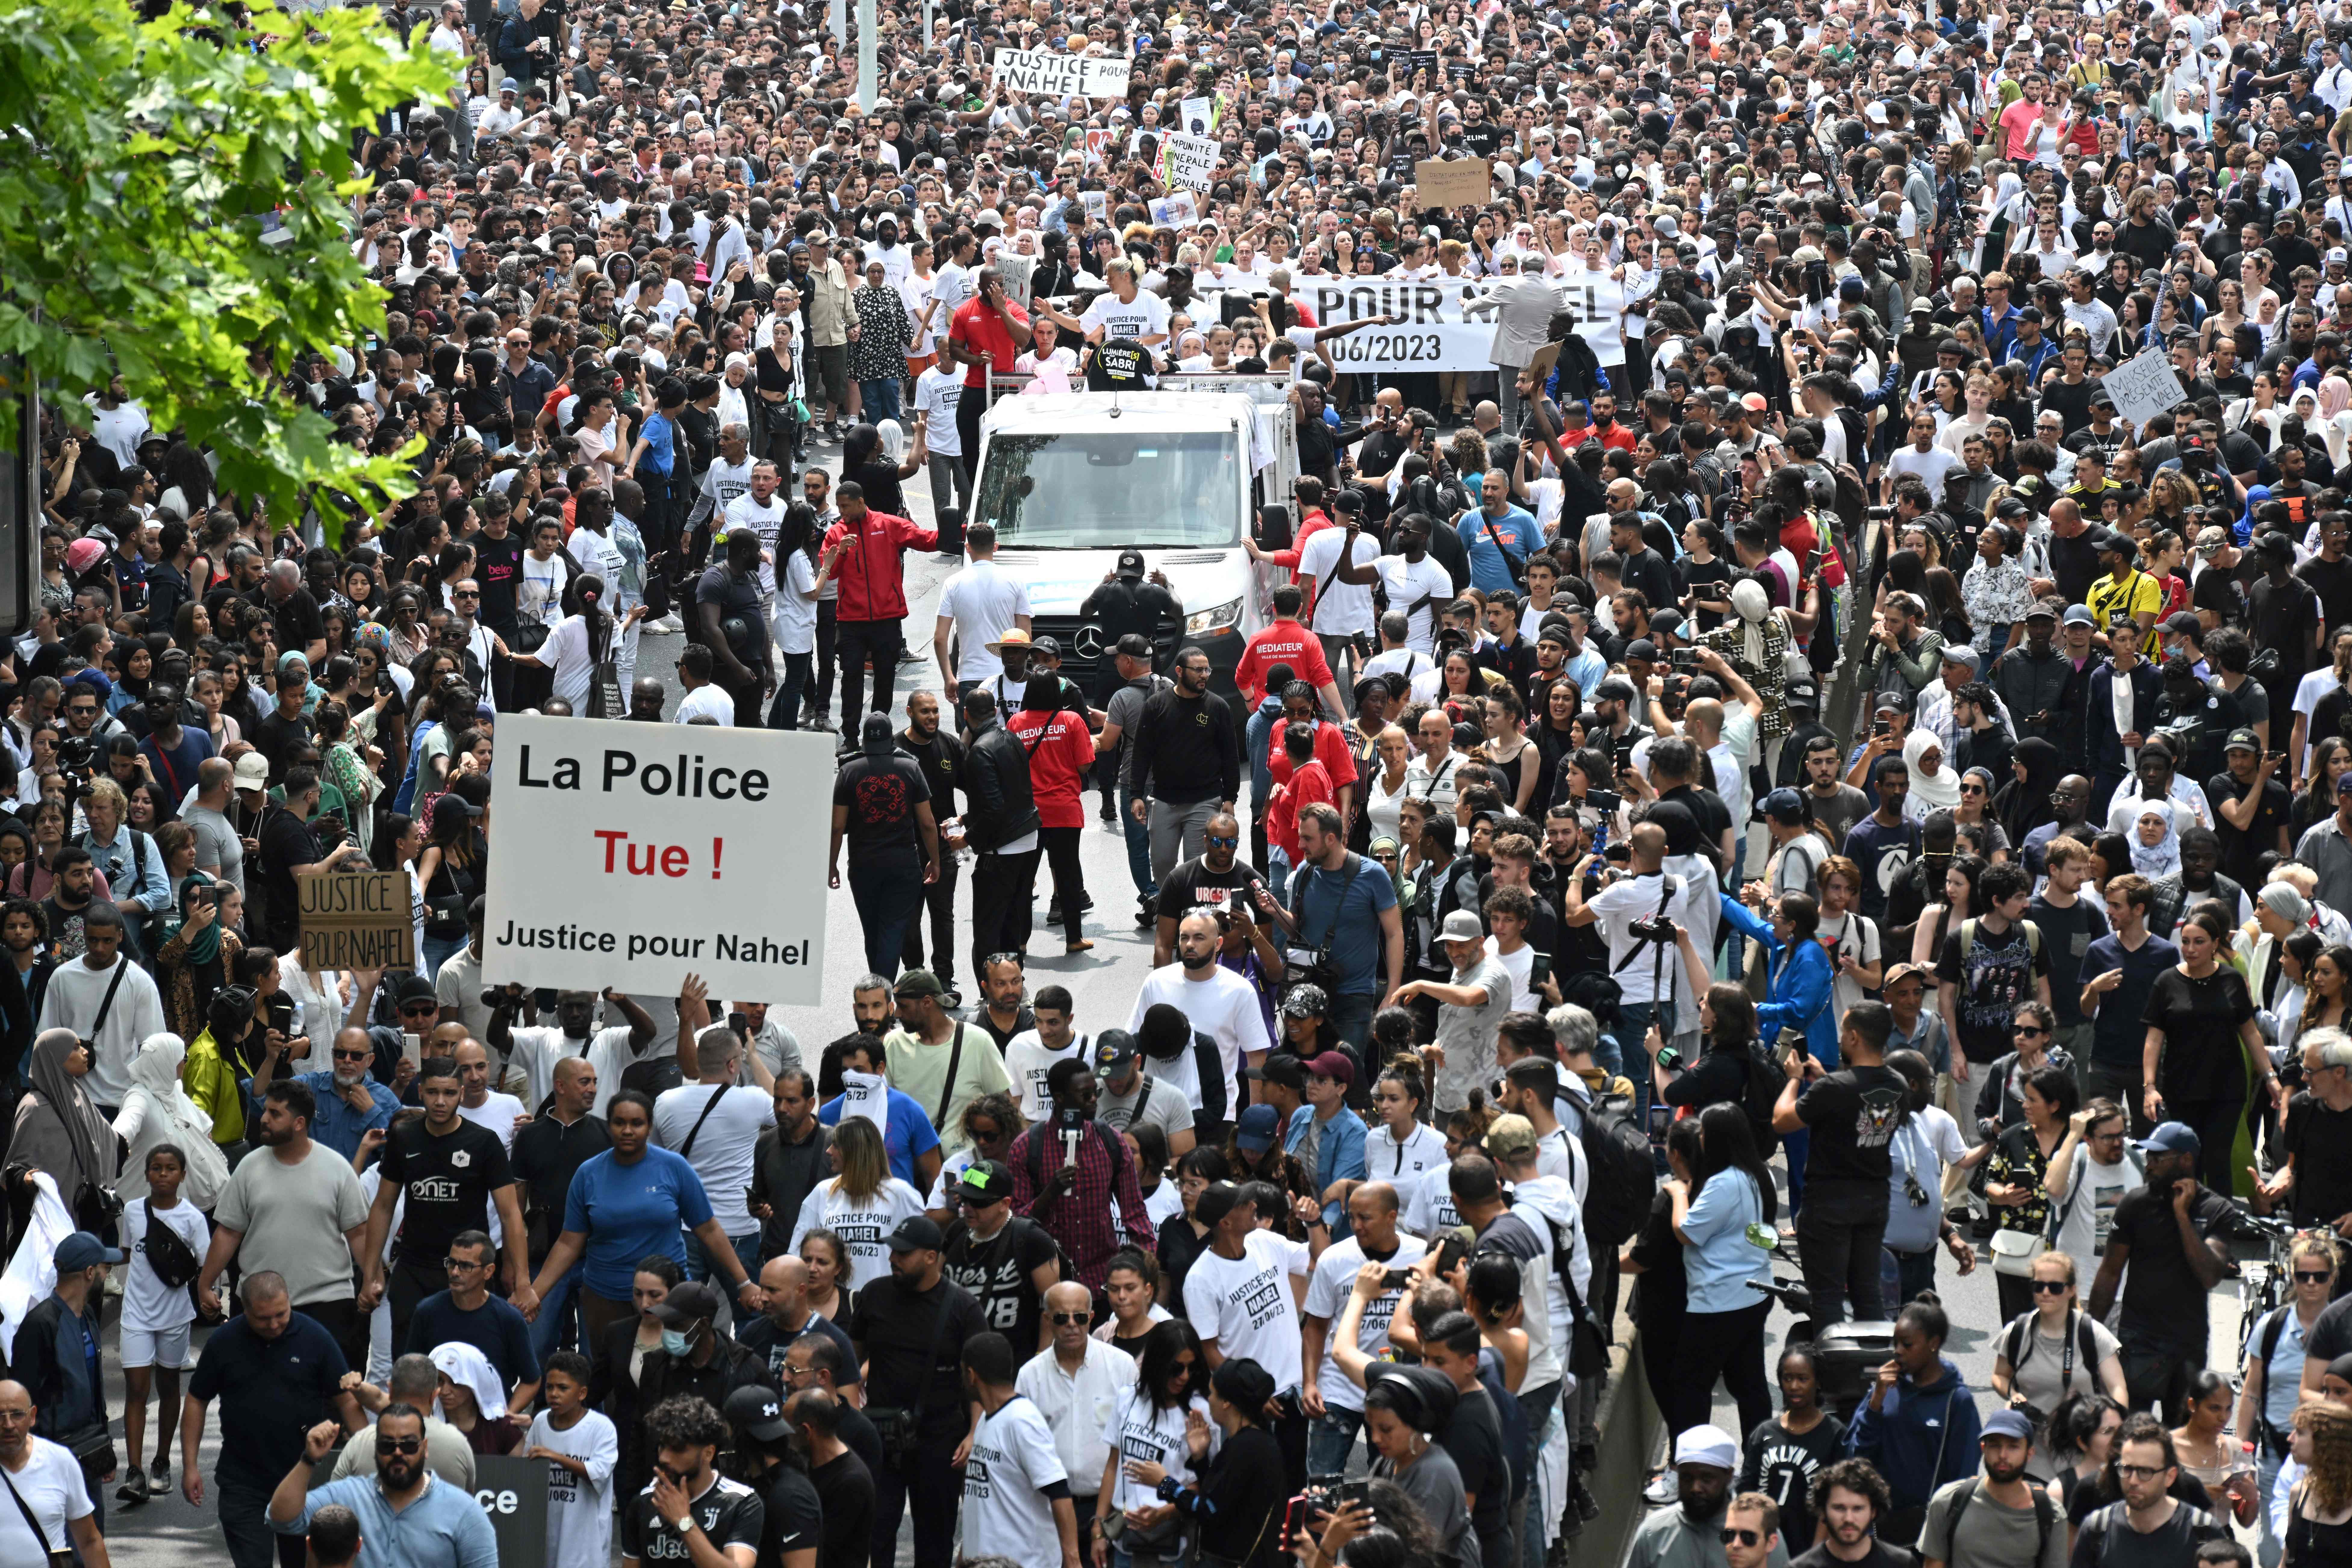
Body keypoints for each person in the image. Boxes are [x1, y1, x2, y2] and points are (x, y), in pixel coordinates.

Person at [527, 1089, 761, 1350]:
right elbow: (568, 1243)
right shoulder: (588, 1174)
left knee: (667, 1376)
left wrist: (745, 1283)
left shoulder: (674, 1168)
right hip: (605, 1297)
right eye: (620, 1123)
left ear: (649, 1127)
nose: (628, 1130)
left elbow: (709, 1230)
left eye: (637, 1123)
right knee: (610, 1379)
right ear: (609, 1126)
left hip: (667, 1298)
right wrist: (535, 1294)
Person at [182, 1271, 365, 1568]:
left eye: (282, 1314)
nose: (275, 1324)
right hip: (243, 1483)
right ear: (245, 1310)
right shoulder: (224, 1342)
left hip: (304, 1481)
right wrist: (190, 1466)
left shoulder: (315, 1338)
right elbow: (196, 1400)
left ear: (290, 1302)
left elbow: (347, 1400)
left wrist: (367, 1458)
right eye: (264, 1319)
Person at [196, 1078, 372, 1375]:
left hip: (327, 1303)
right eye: (266, 1111)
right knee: (259, 1399)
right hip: (257, 1304)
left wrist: (371, 1281)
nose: (264, 1119)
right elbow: (229, 1232)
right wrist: (205, 1283)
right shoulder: (249, 1168)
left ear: (300, 1123)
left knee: (330, 1400)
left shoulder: (337, 1169)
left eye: (275, 1114)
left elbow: (358, 1233)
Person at [358, 1055, 533, 1353]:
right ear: (421, 1091)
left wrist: (524, 1282)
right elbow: (383, 1207)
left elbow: (510, 1214)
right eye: (433, 1093)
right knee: (409, 1366)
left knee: (466, 1365)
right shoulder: (404, 1138)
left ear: (461, 1094)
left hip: (469, 1272)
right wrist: (370, 1273)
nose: (441, 1101)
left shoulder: (484, 1143)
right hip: (413, 1269)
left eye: (450, 1093)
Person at [2089, 1122, 2246, 1424]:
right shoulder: (2134, 1204)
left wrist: (2182, 1217)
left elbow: (2209, 1275)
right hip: (2139, 1339)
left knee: (2182, 1435)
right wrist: (2090, 1331)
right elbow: (2110, 1272)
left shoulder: (2217, 1211)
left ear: (2186, 1160)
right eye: (2149, 1156)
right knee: (2130, 1432)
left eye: (2159, 1158)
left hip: (2188, 1343)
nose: (2149, 1164)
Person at [854, 1214, 988, 1568]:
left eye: (903, 1253)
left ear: (931, 1257)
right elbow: (851, 1361)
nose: (893, 1259)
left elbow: (979, 1380)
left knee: (935, 1539)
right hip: (880, 1434)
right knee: (875, 1532)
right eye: (892, 1252)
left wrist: (975, 1433)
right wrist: (850, 1415)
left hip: (940, 1437)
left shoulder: (962, 1307)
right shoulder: (874, 1295)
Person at [1775, 1000, 1905, 1328]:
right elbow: (1855, 1104)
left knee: (1828, 1297)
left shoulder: (1836, 1088)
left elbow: (1782, 1120)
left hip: (1829, 1207)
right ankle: (1871, 1370)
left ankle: (1834, 1373)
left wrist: (1794, 1079)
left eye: (1844, 1031)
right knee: (1867, 1293)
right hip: (1874, 1203)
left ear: (1855, 1038)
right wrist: (1823, 1080)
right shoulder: (1898, 1085)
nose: (1841, 1038)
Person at [1669, 1103, 1779, 1445]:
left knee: (1689, 1387)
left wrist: (1678, 1193)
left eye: (1704, 1133)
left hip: (1719, 1302)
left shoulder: (1724, 1183)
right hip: (1754, 1292)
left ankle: (1689, 1464)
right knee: (1750, 1387)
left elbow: (1686, 1231)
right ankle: (1760, 1463)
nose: (1699, 1138)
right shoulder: (1759, 1175)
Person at [1009, 1058, 1156, 1293]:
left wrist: (1147, 1267)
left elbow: (1135, 1214)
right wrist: (1051, 1193)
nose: (1094, 1100)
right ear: (1059, 1098)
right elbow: (1016, 1224)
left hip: (1101, 1283)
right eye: (1084, 1094)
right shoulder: (1027, 1148)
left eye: (1095, 1092)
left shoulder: (1111, 1142)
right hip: (1047, 1284)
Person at [1847, 1299, 1983, 1548]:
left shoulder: (1957, 1401)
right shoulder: (1883, 1390)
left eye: (1907, 1345)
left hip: (1928, 1538)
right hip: (1877, 1532)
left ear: (1933, 1344)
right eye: (1895, 1343)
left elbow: (1964, 1479)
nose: (1898, 1351)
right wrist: (1876, 1404)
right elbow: (1857, 1457)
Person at [653, 1022, 777, 1290]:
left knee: (681, 1315)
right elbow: (787, 1103)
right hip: (738, 1227)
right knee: (749, 1311)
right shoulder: (753, 1100)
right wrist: (753, 1055)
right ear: (733, 1065)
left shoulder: (666, 1102)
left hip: (686, 1229)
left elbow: (656, 1157)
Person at [1131, 1356, 1287, 1568]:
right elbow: (1221, 1499)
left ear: (1226, 1402)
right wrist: (1201, 1459)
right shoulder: (1253, 1441)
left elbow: (1208, 1511)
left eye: (1212, 1393)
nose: (1209, 1400)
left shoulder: (1247, 1447)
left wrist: (1166, 1483)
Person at [1990, 1252, 2129, 1482]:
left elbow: (2118, 1388)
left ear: (2072, 1290)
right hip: (2032, 1454)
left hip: (2081, 1454)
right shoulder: (2018, 1332)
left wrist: (2111, 1428)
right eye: (2039, 1286)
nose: (2045, 1293)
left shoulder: (2092, 1334)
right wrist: (2014, 1396)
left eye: (2055, 1287)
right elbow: (1999, 1376)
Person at [619, 1393, 764, 1568]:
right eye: (662, 1446)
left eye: (678, 1449)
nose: (664, 1458)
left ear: (708, 1453)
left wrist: (682, 1520)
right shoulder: (645, 1502)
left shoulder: (740, 1503)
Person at [1915, 1408, 2067, 1568]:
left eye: (2013, 1447)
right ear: (1983, 1449)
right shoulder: (1948, 1501)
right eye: (1995, 1446)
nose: (2003, 1455)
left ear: (2030, 1454)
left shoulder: (2052, 1516)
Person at [2069, 1416, 2230, 1565]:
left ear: (2170, 1476)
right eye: (2127, 1469)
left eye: (2145, 1472)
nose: (2133, 1481)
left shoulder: (2203, 1532)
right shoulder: (2096, 1530)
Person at [403, 1227, 538, 1402]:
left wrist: (506, 1419)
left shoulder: (509, 1319)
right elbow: (411, 1374)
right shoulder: (427, 1312)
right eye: (451, 1263)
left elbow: (532, 1380)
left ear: (489, 1272)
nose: (455, 1272)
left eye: (466, 1266)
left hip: (491, 1421)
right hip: (440, 1417)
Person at [1739, 1346, 1847, 1559]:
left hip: (1811, 1548)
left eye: (1803, 1379)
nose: (1794, 1386)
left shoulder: (1835, 1434)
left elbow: (1837, 1499)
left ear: (1818, 1382)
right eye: (1788, 1379)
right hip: (1766, 1548)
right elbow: (1747, 1491)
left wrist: (1817, 1553)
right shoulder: (1764, 1433)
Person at [0, 1379, 109, 1568]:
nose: (8, 1425)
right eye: (0, 1416)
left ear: (32, 1417)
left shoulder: (59, 1461)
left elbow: (89, 1541)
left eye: (17, 1415)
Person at [525, 1350, 619, 1568]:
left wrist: (557, 1457)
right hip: (546, 1540)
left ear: (582, 1393)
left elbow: (599, 1473)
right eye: (550, 1387)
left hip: (586, 1547)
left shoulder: (601, 1428)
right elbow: (527, 1469)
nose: (554, 1394)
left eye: (563, 1388)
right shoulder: (540, 1422)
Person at [328, 1354, 475, 1487]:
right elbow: (467, 1502)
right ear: (435, 1395)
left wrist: (358, 1388)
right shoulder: (458, 1445)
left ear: (390, 1390)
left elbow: (333, 1502)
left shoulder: (359, 1443)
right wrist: (359, 1388)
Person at [1626, 1425, 1757, 1568]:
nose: (1695, 1488)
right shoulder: (1653, 1532)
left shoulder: (1760, 1535)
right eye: (1687, 1478)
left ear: (1729, 1476)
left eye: (1707, 1479)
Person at [786, 1386, 876, 1568]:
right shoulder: (810, 1460)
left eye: (786, 1429)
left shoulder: (851, 1482)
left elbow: (821, 1550)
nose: (784, 1437)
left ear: (806, 1431)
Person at [1794, 1458, 1910, 1568]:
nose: (1849, 1519)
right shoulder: (1801, 1567)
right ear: (1824, 1511)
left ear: (1873, 1512)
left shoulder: (1902, 1564)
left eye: (1858, 1509)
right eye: (1839, 1508)